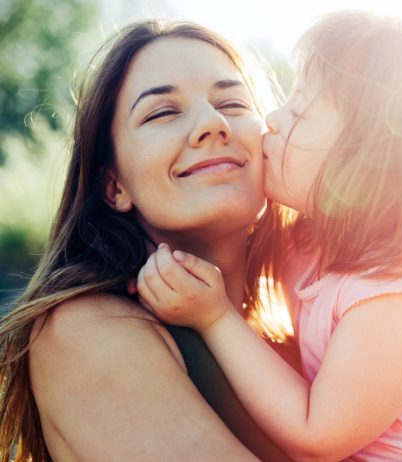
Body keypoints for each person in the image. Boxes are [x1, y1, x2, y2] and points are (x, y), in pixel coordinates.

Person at [137, 10, 402, 462]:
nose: (273, 118)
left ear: (369, 161)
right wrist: (164, 270)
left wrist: (213, 317)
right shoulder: (309, 241)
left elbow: (317, 436)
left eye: (301, 111)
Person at [0, 20, 294, 461]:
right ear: (114, 185)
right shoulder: (85, 328)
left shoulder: (301, 340)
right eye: (163, 112)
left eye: (232, 103)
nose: (213, 124)